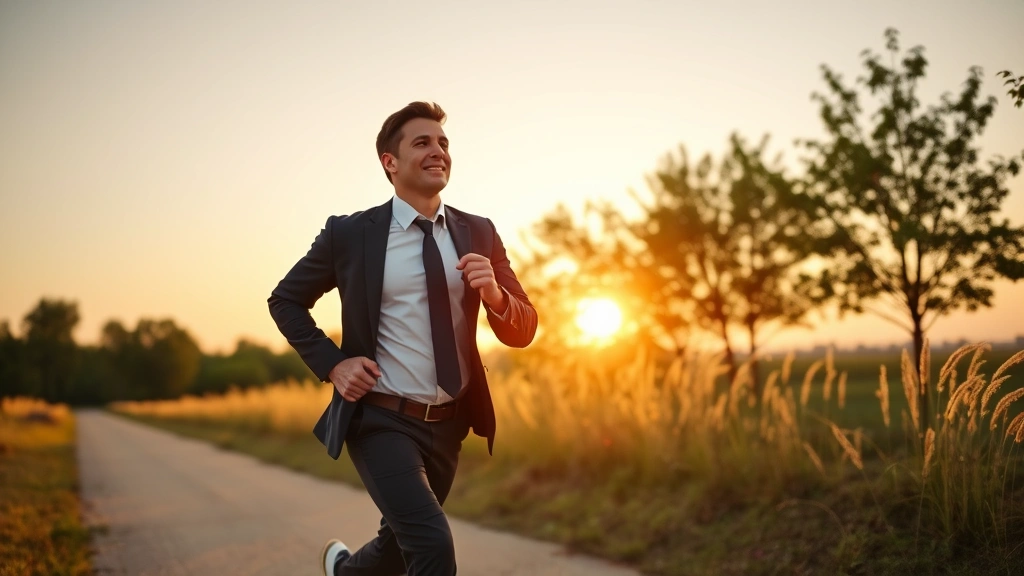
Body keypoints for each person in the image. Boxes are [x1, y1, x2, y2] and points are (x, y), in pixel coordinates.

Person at [268, 101, 538, 576]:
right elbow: (285, 300)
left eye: (443, 143)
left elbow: (524, 328)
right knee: (433, 545)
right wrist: (334, 365)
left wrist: (495, 296)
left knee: (398, 547)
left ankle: (343, 571)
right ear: (389, 162)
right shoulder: (350, 235)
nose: (438, 151)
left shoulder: (479, 231)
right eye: (422, 142)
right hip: (381, 418)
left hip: (449, 424)